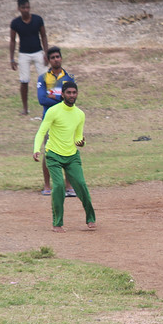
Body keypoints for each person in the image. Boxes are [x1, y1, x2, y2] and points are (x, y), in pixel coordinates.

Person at [32, 81, 95, 232]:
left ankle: (91, 219)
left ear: (77, 94)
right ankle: (57, 223)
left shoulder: (80, 114)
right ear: (63, 94)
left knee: (81, 185)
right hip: (53, 155)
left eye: (74, 93)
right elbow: (42, 131)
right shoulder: (53, 111)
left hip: (72, 156)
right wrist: (36, 149)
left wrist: (81, 143)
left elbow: (78, 137)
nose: (72, 95)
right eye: (69, 93)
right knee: (59, 186)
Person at [35, 46, 76, 197]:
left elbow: (71, 98)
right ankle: (47, 185)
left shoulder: (68, 78)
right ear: (49, 60)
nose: (56, 59)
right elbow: (41, 99)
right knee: (49, 152)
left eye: (58, 56)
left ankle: (69, 186)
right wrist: (61, 99)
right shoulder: (43, 78)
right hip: (49, 120)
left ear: (61, 58)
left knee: (69, 151)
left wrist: (53, 97)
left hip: (66, 120)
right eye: (52, 57)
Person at [9, 0, 48, 115]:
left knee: (45, 80)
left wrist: (46, 53)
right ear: (18, 9)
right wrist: (12, 58)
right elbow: (12, 40)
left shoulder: (37, 20)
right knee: (24, 81)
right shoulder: (15, 23)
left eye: (27, 7)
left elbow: (44, 36)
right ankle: (25, 108)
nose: (26, 10)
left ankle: (48, 106)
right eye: (23, 8)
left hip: (38, 52)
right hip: (24, 54)